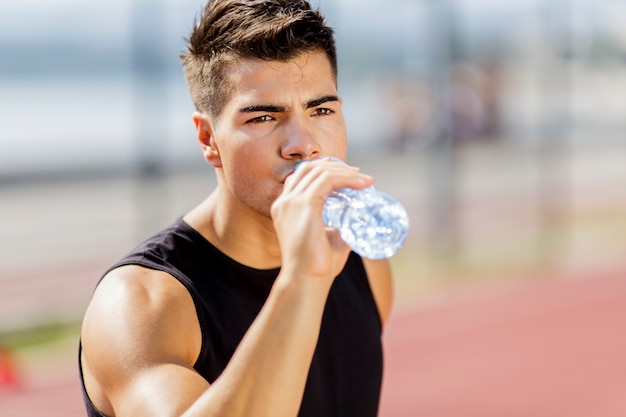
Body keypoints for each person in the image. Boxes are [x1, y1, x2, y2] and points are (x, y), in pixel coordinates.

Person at [79, 1, 393, 416]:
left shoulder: (362, 263)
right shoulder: (141, 302)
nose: (303, 143)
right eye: (263, 117)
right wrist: (304, 279)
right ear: (208, 139)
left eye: (321, 110)